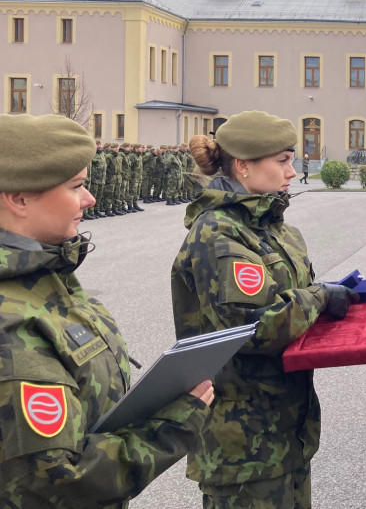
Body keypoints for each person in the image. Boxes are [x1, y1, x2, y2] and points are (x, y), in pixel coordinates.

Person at [0, 113, 214, 508]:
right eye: (76, 186)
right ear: (19, 197)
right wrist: (175, 423)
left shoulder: (44, 272)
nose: (90, 199)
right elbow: (58, 479)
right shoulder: (10, 319)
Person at [171, 110, 358, 508]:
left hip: (284, 431)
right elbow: (255, 328)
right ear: (243, 166)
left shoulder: (275, 229)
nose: (292, 171)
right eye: (282, 161)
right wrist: (321, 297)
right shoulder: (218, 232)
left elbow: (294, 309)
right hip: (244, 447)